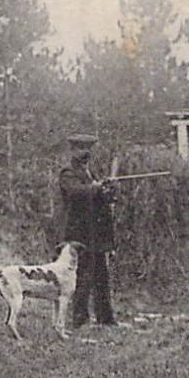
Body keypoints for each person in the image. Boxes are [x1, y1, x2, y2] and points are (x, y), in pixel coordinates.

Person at [58, 134, 117, 327]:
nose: (86, 152)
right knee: (83, 277)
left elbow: (98, 197)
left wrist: (107, 191)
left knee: (102, 277)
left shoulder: (91, 173)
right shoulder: (67, 173)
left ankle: (105, 319)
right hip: (79, 236)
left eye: (88, 149)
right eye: (82, 149)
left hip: (96, 234)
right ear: (73, 151)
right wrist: (97, 188)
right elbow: (75, 193)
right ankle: (80, 321)